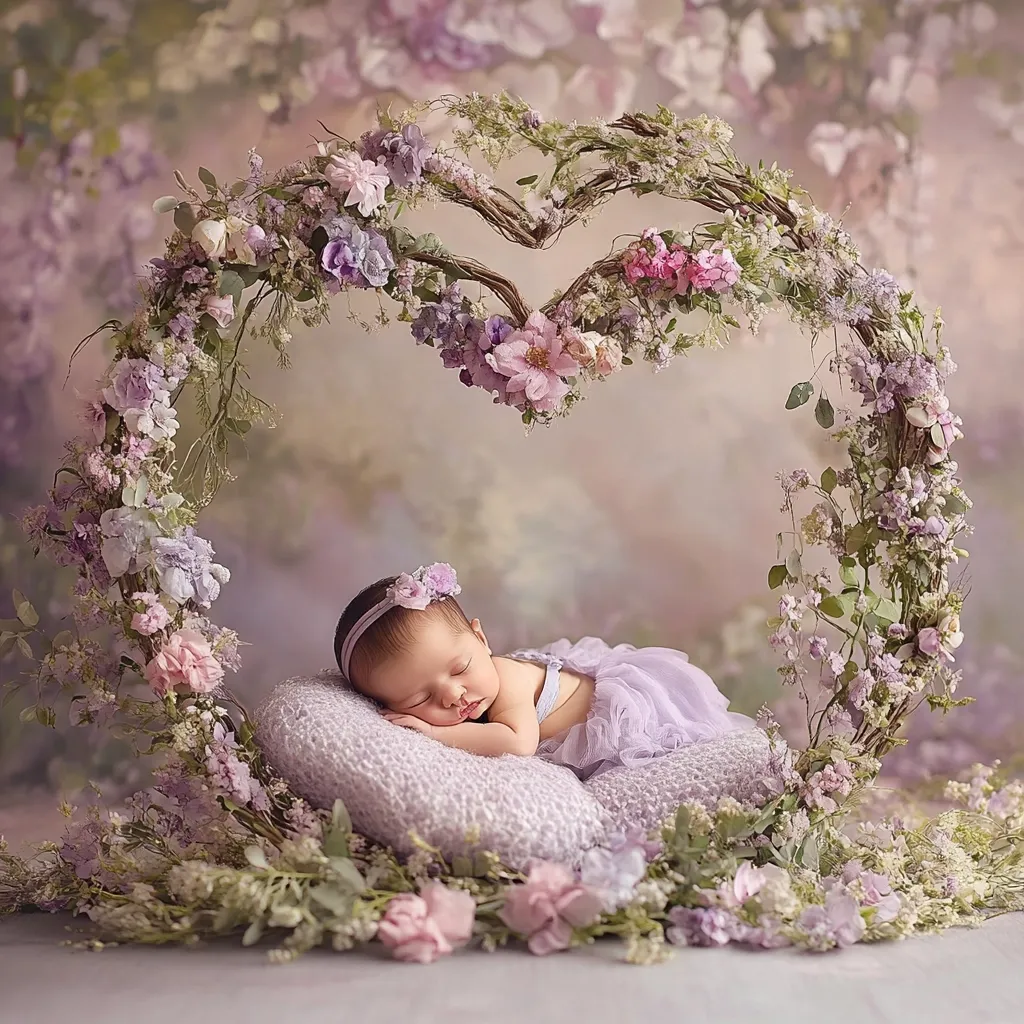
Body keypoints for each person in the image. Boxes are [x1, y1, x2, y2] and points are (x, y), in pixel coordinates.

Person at [334, 563, 754, 780]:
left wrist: (433, 731)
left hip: (623, 722)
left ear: (480, 639)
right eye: (419, 700)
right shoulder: (470, 691)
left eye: (460, 668)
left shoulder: (506, 680)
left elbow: (517, 743)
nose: (452, 696)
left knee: (674, 756)